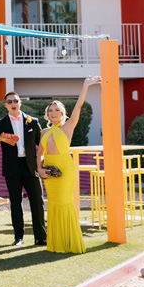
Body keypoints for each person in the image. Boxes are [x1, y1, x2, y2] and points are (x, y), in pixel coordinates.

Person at [37, 77, 100, 254]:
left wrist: (85, 86)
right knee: (54, 204)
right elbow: (39, 154)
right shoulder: (43, 131)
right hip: (49, 173)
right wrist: (40, 170)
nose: (53, 112)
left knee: (65, 202)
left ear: (62, 113)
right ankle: (56, 244)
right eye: (51, 110)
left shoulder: (68, 126)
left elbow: (78, 106)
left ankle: (70, 242)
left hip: (65, 169)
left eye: (57, 110)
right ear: (48, 114)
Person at [0, 92, 47, 247]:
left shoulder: (33, 121)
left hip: (31, 166)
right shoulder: (0, 123)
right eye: (9, 101)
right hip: (12, 168)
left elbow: (43, 143)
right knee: (16, 203)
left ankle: (41, 237)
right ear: (5, 105)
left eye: (15, 100)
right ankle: (18, 238)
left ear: (20, 103)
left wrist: (42, 163)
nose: (13, 103)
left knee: (37, 202)